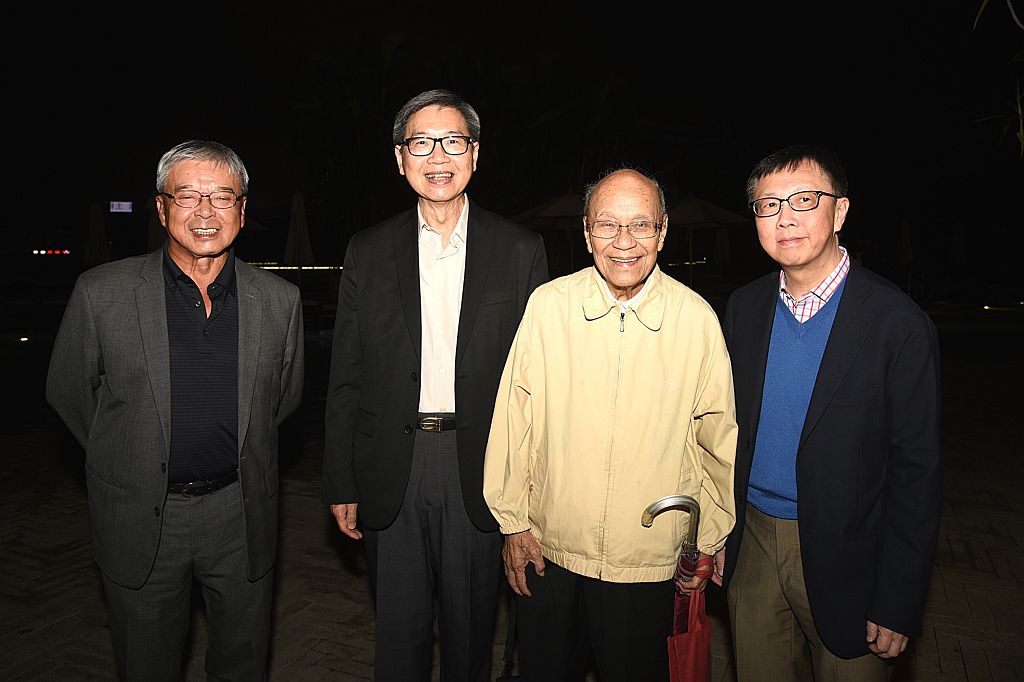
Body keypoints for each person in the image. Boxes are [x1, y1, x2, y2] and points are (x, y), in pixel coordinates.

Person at [45, 139, 305, 681]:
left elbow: (283, 400)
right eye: (188, 196)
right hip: (142, 514)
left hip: (240, 515)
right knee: (147, 665)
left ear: (242, 210)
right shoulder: (101, 293)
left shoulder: (279, 300)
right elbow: (70, 393)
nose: (206, 212)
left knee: (243, 664)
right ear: (161, 209)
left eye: (223, 196)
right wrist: (128, 453)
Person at [321, 88, 549, 682]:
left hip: (481, 464)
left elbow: (538, 382)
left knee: (471, 636)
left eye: (453, 141)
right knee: (398, 637)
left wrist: (530, 488)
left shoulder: (519, 249)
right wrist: (341, 478)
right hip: (391, 463)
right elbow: (346, 374)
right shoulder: (367, 251)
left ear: (475, 154)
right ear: (400, 159)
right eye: (421, 143)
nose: (438, 156)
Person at [483, 166, 738, 682]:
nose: (624, 242)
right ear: (586, 232)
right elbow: (513, 421)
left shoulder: (696, 320)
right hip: (549, 552)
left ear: (662, 232)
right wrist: (513, 523)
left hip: (649, 563)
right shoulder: (548, 307)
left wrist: (710, 537)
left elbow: (717, 439)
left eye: (641, 225)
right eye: (607, 225)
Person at [716, 144, 942, 681]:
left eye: (804, 199)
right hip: (753, 543)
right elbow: (726, 430)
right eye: (768, 205)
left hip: (851, 554)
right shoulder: (744, 308)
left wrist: (899, 597)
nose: (785, 217)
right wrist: (723, 535)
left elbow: (917, 470)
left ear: (839, 211)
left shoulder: (897, 323)